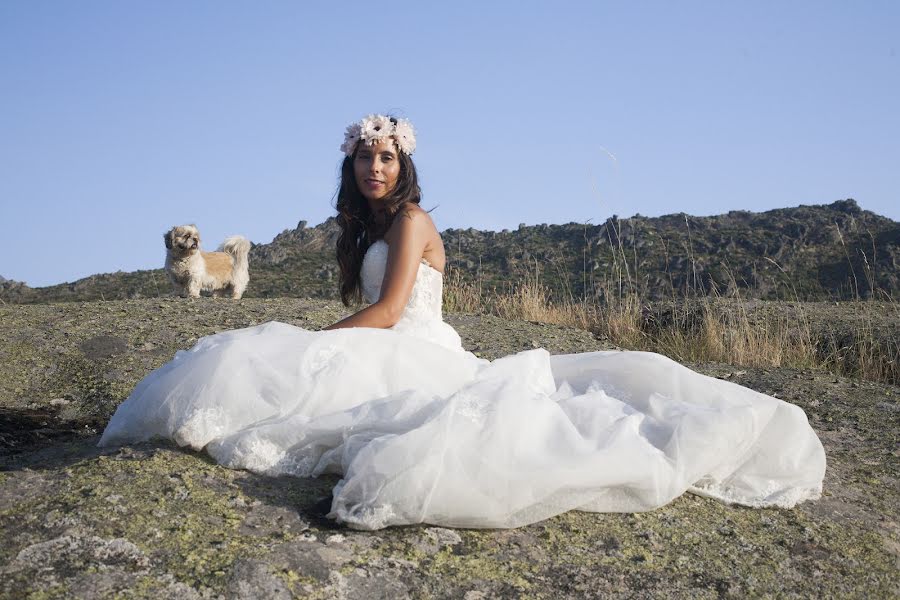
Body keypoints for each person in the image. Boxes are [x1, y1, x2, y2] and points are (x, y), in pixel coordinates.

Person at [99, 114, 826, 530]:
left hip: (413, 342)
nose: (373, 168)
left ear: (402, 164)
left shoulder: (412, 221)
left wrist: (322, 336)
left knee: (332, 376)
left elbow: (387, 312)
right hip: (389, 340)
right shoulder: (368, 229)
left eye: (385, 157)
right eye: (363, 159)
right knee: (278, 366)